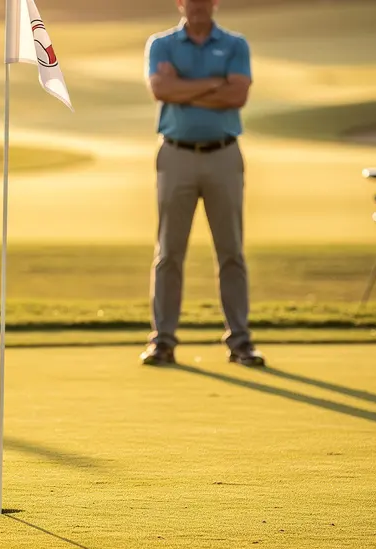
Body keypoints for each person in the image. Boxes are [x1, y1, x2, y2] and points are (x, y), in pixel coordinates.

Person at [140, 0, 264, 368]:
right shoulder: (161, 44)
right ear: (180, 4)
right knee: (169, 253)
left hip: (223, 154)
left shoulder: (235, 44)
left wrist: (184, 86)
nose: (198, 8)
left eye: (204, 2)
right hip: (175, 154)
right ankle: (162, 341)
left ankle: (240, 342)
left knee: (231, 252)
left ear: (214, 4)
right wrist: (214, 83)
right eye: (191, 2)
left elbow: (237, 95)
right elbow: (161, 90)